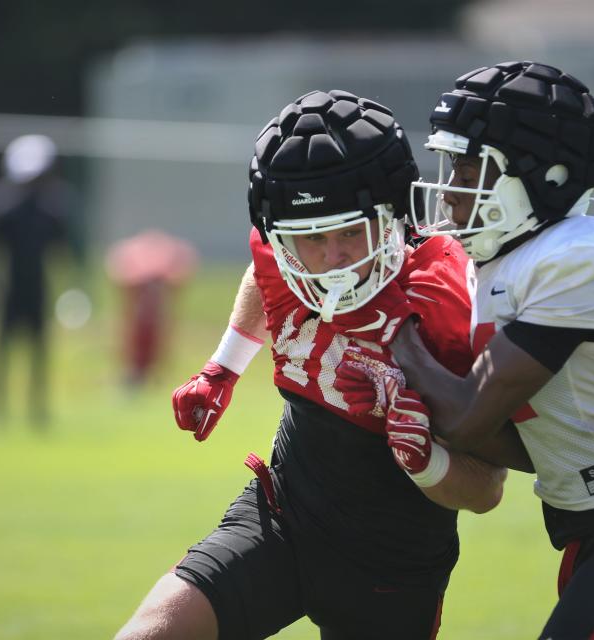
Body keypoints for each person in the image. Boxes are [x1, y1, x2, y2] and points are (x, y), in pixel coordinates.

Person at [337, 61, 594, 639]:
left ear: (540, 176)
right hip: (593, 532)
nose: (450, 188)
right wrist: (417, 420)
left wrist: (398, 339)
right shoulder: (501, 262)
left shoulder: (582, 256)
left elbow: (471, 415)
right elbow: (529, 443)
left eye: (470, 168)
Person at [115, 90, 523, 640]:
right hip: (281, 517)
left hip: (395, 566)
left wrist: (426, 459)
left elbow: (488, 488)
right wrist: (224, 366)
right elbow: (269, 267)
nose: (332, 258)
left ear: (393, 216)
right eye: (311, 237)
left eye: (351, 232)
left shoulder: (446, 296)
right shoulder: (284, 250)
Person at [0, 134, 75, 425]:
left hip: (37, 287)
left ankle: (37, 408)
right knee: (3, 349)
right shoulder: (0, 205)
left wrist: (74, 283)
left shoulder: (51, 207)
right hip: (9, 287)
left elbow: (63, 247)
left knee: (39, 350)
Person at [106, 229, 199, 388]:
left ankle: (151, 371)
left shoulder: (168, 258)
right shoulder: (134, 257)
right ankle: (135, 371)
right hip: (141, 308)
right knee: (136, 332)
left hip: (155, 309)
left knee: (156, 332)